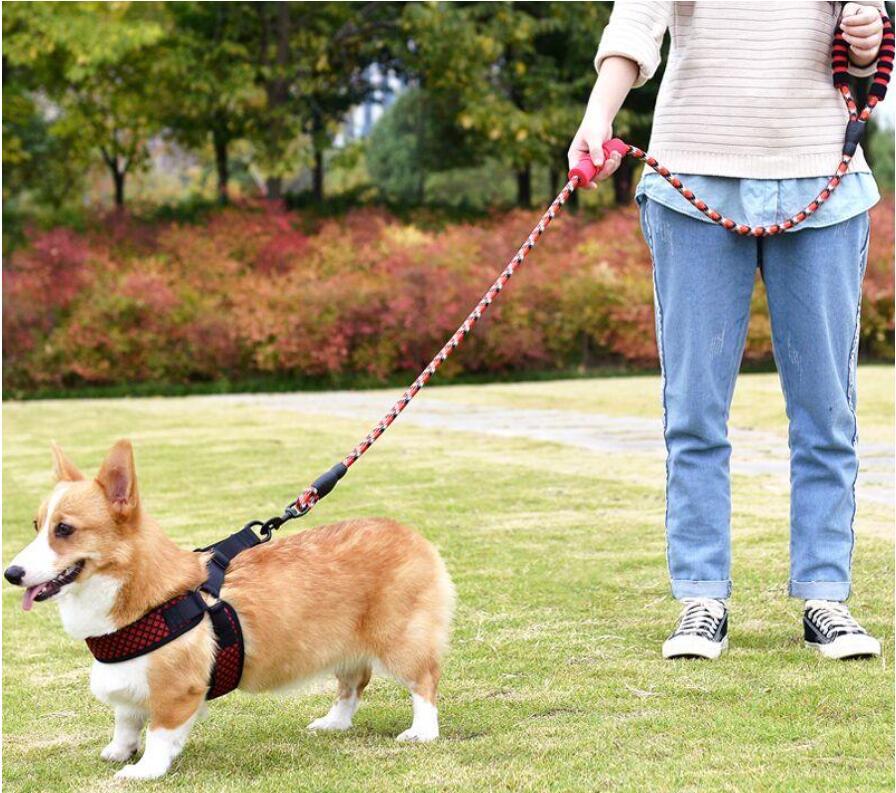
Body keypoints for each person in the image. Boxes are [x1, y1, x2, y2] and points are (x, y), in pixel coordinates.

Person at [569, 1, 887, 660]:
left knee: (828, 409)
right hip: (692, 182)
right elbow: (637, 22)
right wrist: (598, 116)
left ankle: (825, 595)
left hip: (822, 179)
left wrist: (866, 38)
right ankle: (702, 597)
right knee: (694, 409)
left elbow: (865, 47)